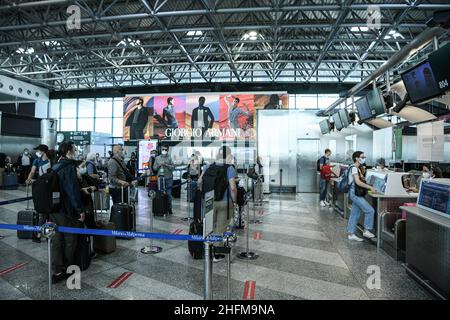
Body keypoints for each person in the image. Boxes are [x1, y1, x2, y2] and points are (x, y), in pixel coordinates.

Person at [50, 141, 85, 283]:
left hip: (54, 209)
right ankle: (68, 268)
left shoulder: (55, 165)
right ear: (69, 150)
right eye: (74, 148)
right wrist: (80, 210)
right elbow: (71, 191)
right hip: (67, 211)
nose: (76, 151)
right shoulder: (69, 167)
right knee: (70, 239)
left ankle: (57, 271)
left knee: (56, 240)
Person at [198, 146, 238, 262]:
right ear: (229, 156)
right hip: (225, 203)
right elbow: (233, 188)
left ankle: (207, 251)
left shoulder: (208, 166)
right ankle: (216, 254)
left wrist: (203, 193)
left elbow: (199, 181)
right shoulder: (229, 168)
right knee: (220, 228)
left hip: (209, 201)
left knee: (210, 227)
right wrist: (234, 200)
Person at [346, 151, 376, 242]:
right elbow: (358, 182)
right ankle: (367, 230)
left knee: (354, 214)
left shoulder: (357, 168)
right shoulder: (354, 168)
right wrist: (370, 187)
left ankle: (351, 234)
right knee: (370, 210)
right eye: (362, 157)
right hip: (355, 194)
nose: (364, 158)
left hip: (355, 193)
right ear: (356, 158)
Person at [153, 145, 175, 215]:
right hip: (160, 178)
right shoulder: (157, 158)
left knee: (168, 194)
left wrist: (166, 164)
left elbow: (173, 167)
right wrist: (159, 165)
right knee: (160, 194)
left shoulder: (170, 158)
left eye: (165, 149)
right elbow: (154, 168)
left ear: (168, 150)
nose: (164, 150)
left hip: (169, 178)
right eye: (163, 149)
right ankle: (161, 208)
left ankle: (169, 208)